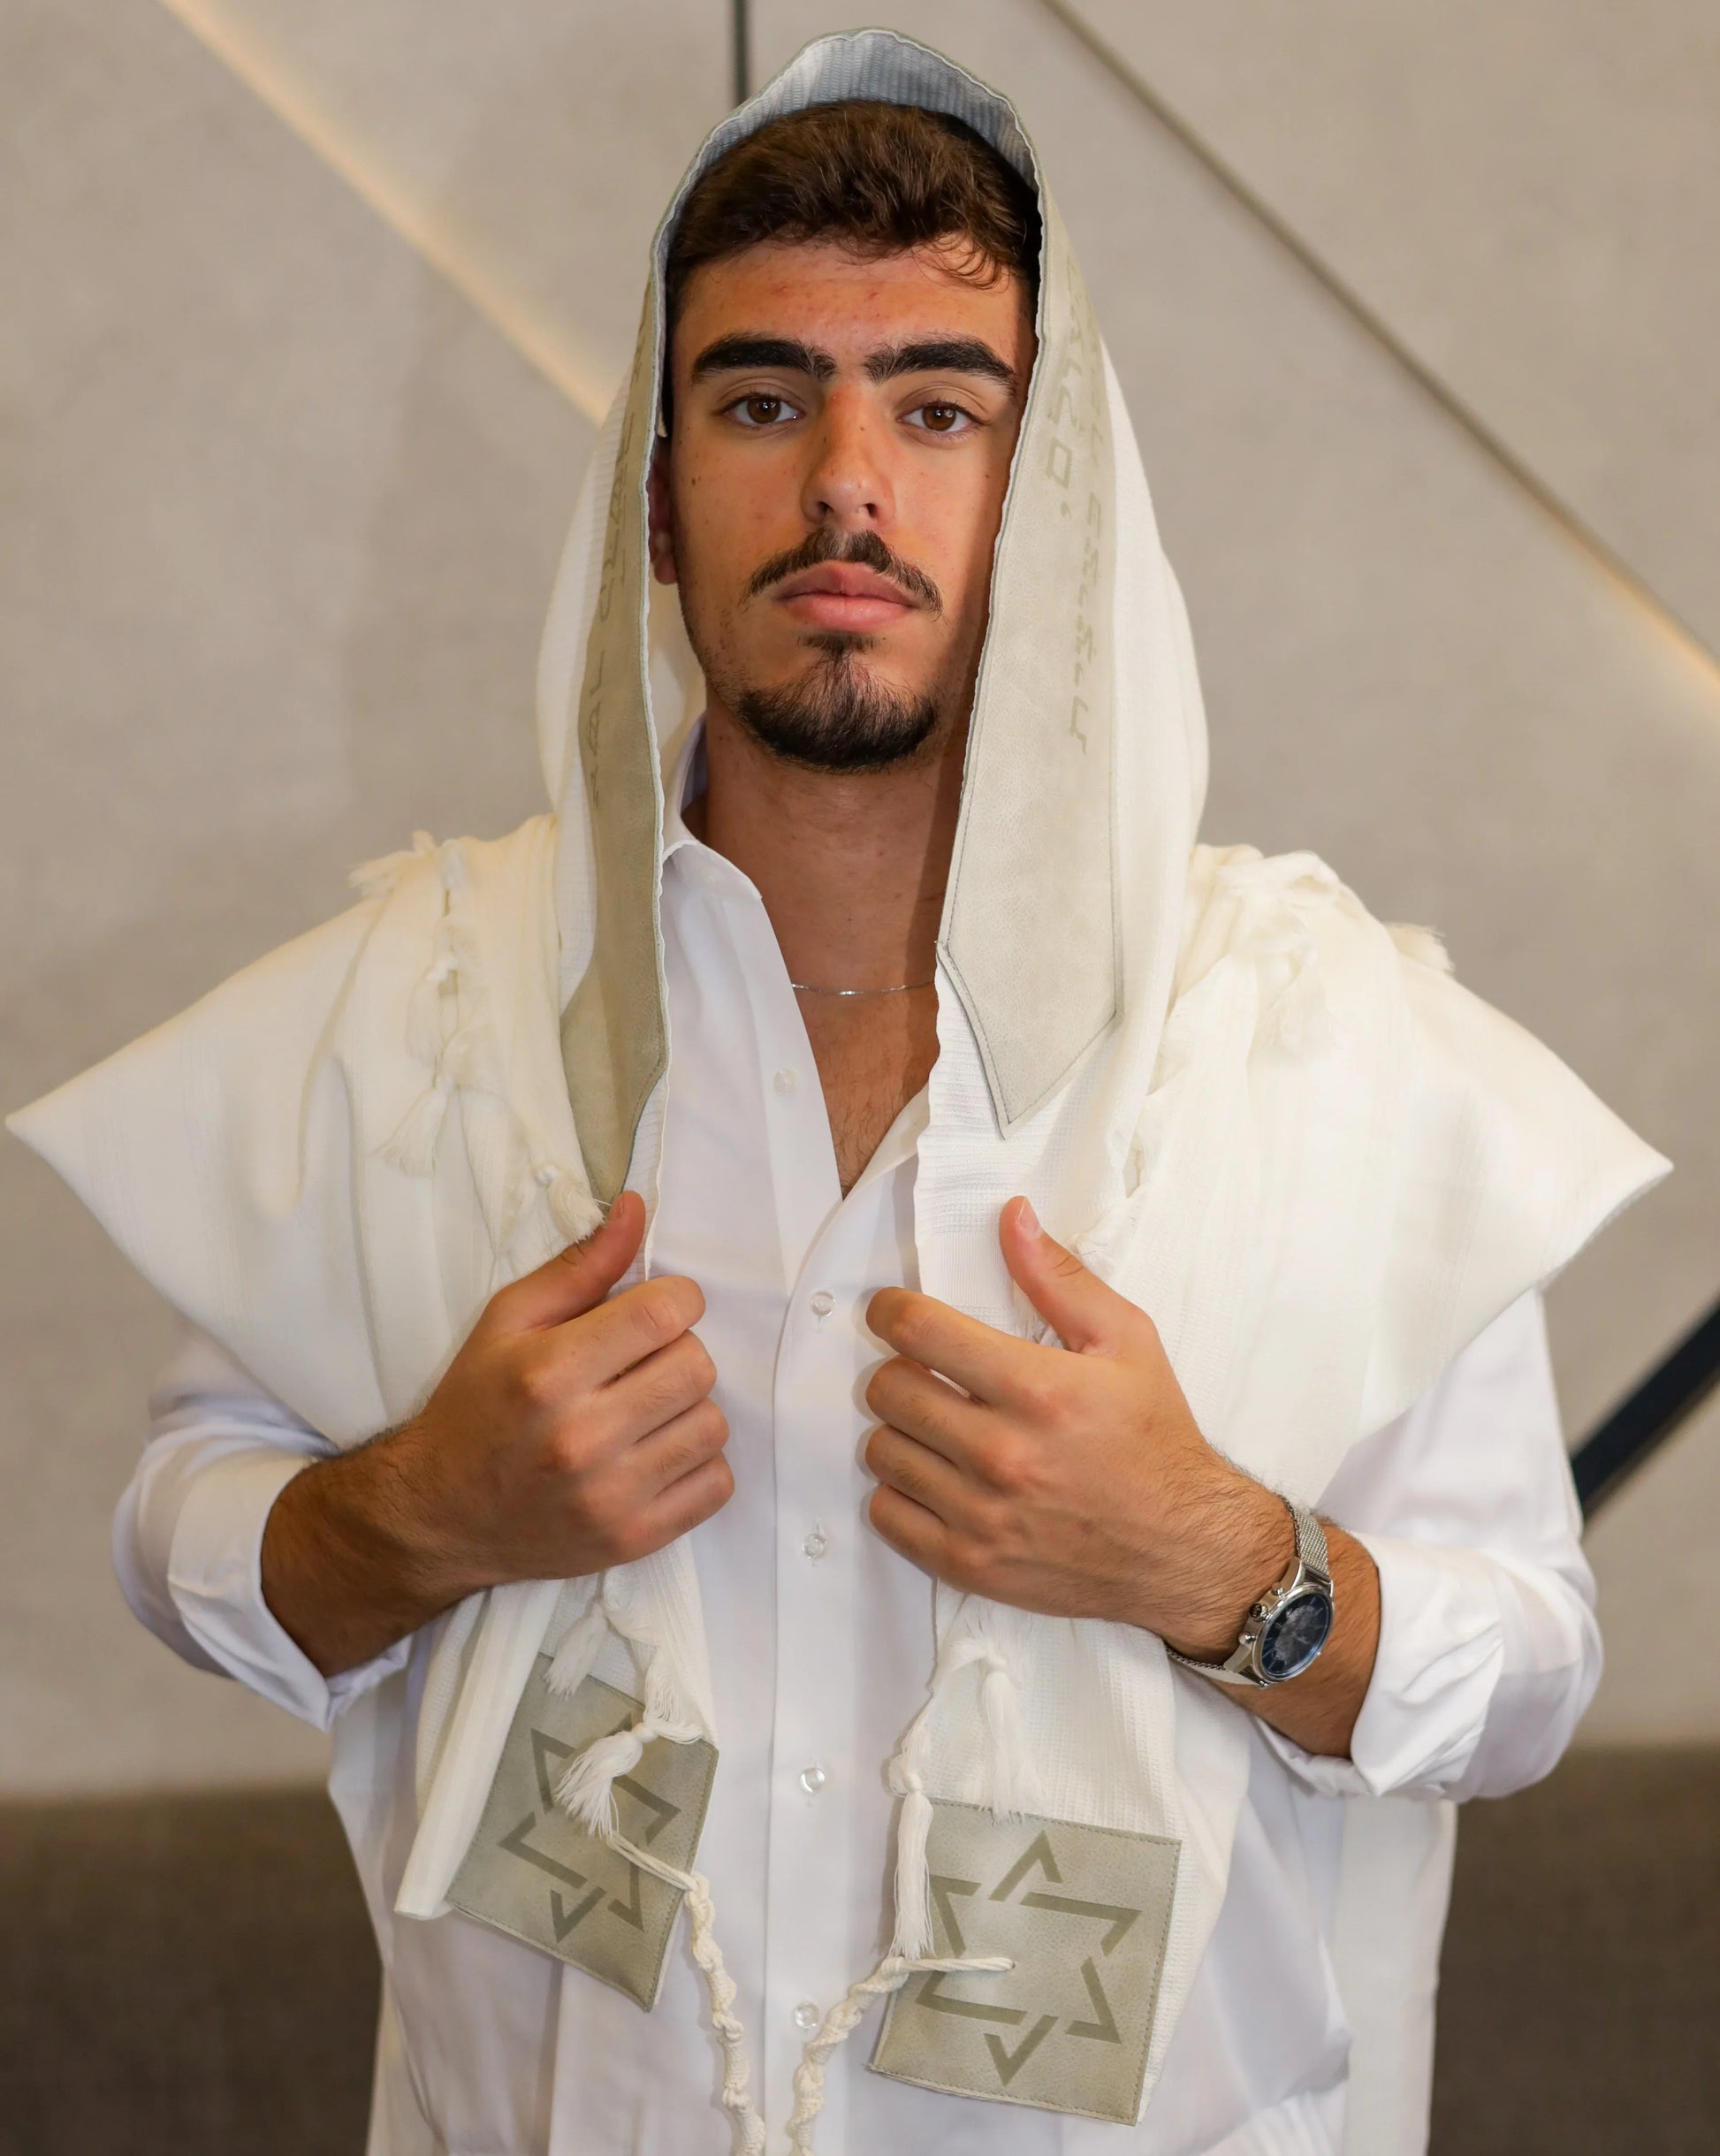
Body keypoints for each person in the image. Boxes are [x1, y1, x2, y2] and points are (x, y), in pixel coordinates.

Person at [11, 32, 1667, 2156]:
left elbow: (1521, 1674)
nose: (846, 487)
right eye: (764, 399)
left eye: (939, 406)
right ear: (658, 500)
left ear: (1052, 496)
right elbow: (184, 1534)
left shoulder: (1309, 1050)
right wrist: (427, 1505)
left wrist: (1210, 1553)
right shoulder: (440, 1014)